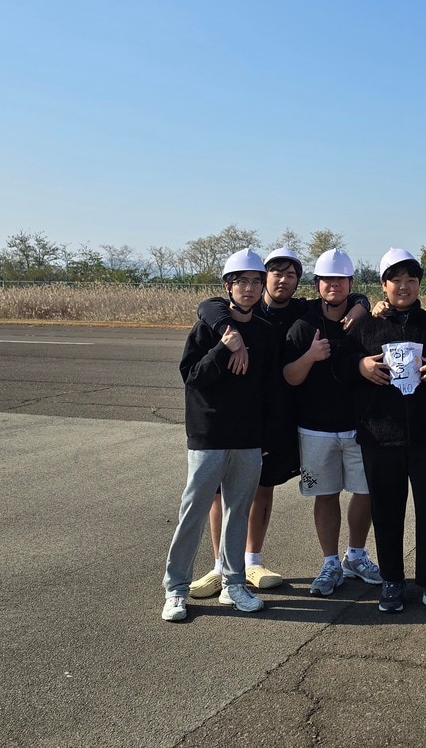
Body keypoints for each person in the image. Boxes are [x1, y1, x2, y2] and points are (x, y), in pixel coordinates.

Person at [189, 247, 368, 598]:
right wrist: (230, 333)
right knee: (218, 492)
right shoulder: (239, 312)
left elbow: (343, 294)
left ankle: (251, 560)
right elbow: (207, 305)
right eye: (274, 274)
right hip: (229, 415)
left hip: (280, 414)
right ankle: (219, 564)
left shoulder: (302, 311)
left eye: (290, 275)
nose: (282, 280)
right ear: (260, 278)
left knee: (262, 486)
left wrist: (360, 303)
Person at [337, 248, 426, 617]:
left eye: (411, 279)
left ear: (420, 284)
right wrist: (358, 365)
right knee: (387, 512)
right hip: (380, 437)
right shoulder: (364, 327)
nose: (404, 286)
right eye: (396, 279)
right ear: (383, 285)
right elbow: (340, 367)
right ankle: (392, 580)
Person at [161, 249, 282, 620]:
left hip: (248, 438)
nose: (248, 288)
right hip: (209, 434)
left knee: (238, 512)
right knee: (193, 511)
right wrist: (223, 347)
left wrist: (266, 440)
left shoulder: (265, 332)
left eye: (255, 282)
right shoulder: (209, 327)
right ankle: (176, 589)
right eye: (241, 281)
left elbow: (269, 390)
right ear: (228, 286)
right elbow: (192, 378)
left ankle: (233, 584)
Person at [281, 249, 382, 595]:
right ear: (318, 284)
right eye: (327, 280)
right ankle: (330, 562)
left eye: (340, 280)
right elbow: (290, 377)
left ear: (350, 283)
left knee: (365, 491)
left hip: (360, 425)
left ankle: (356, 555)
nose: (333, 285)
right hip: (315, 428)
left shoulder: (365, 321)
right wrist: (310, 357)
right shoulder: (303, 326)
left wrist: (363, 305)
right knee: (325, 495)